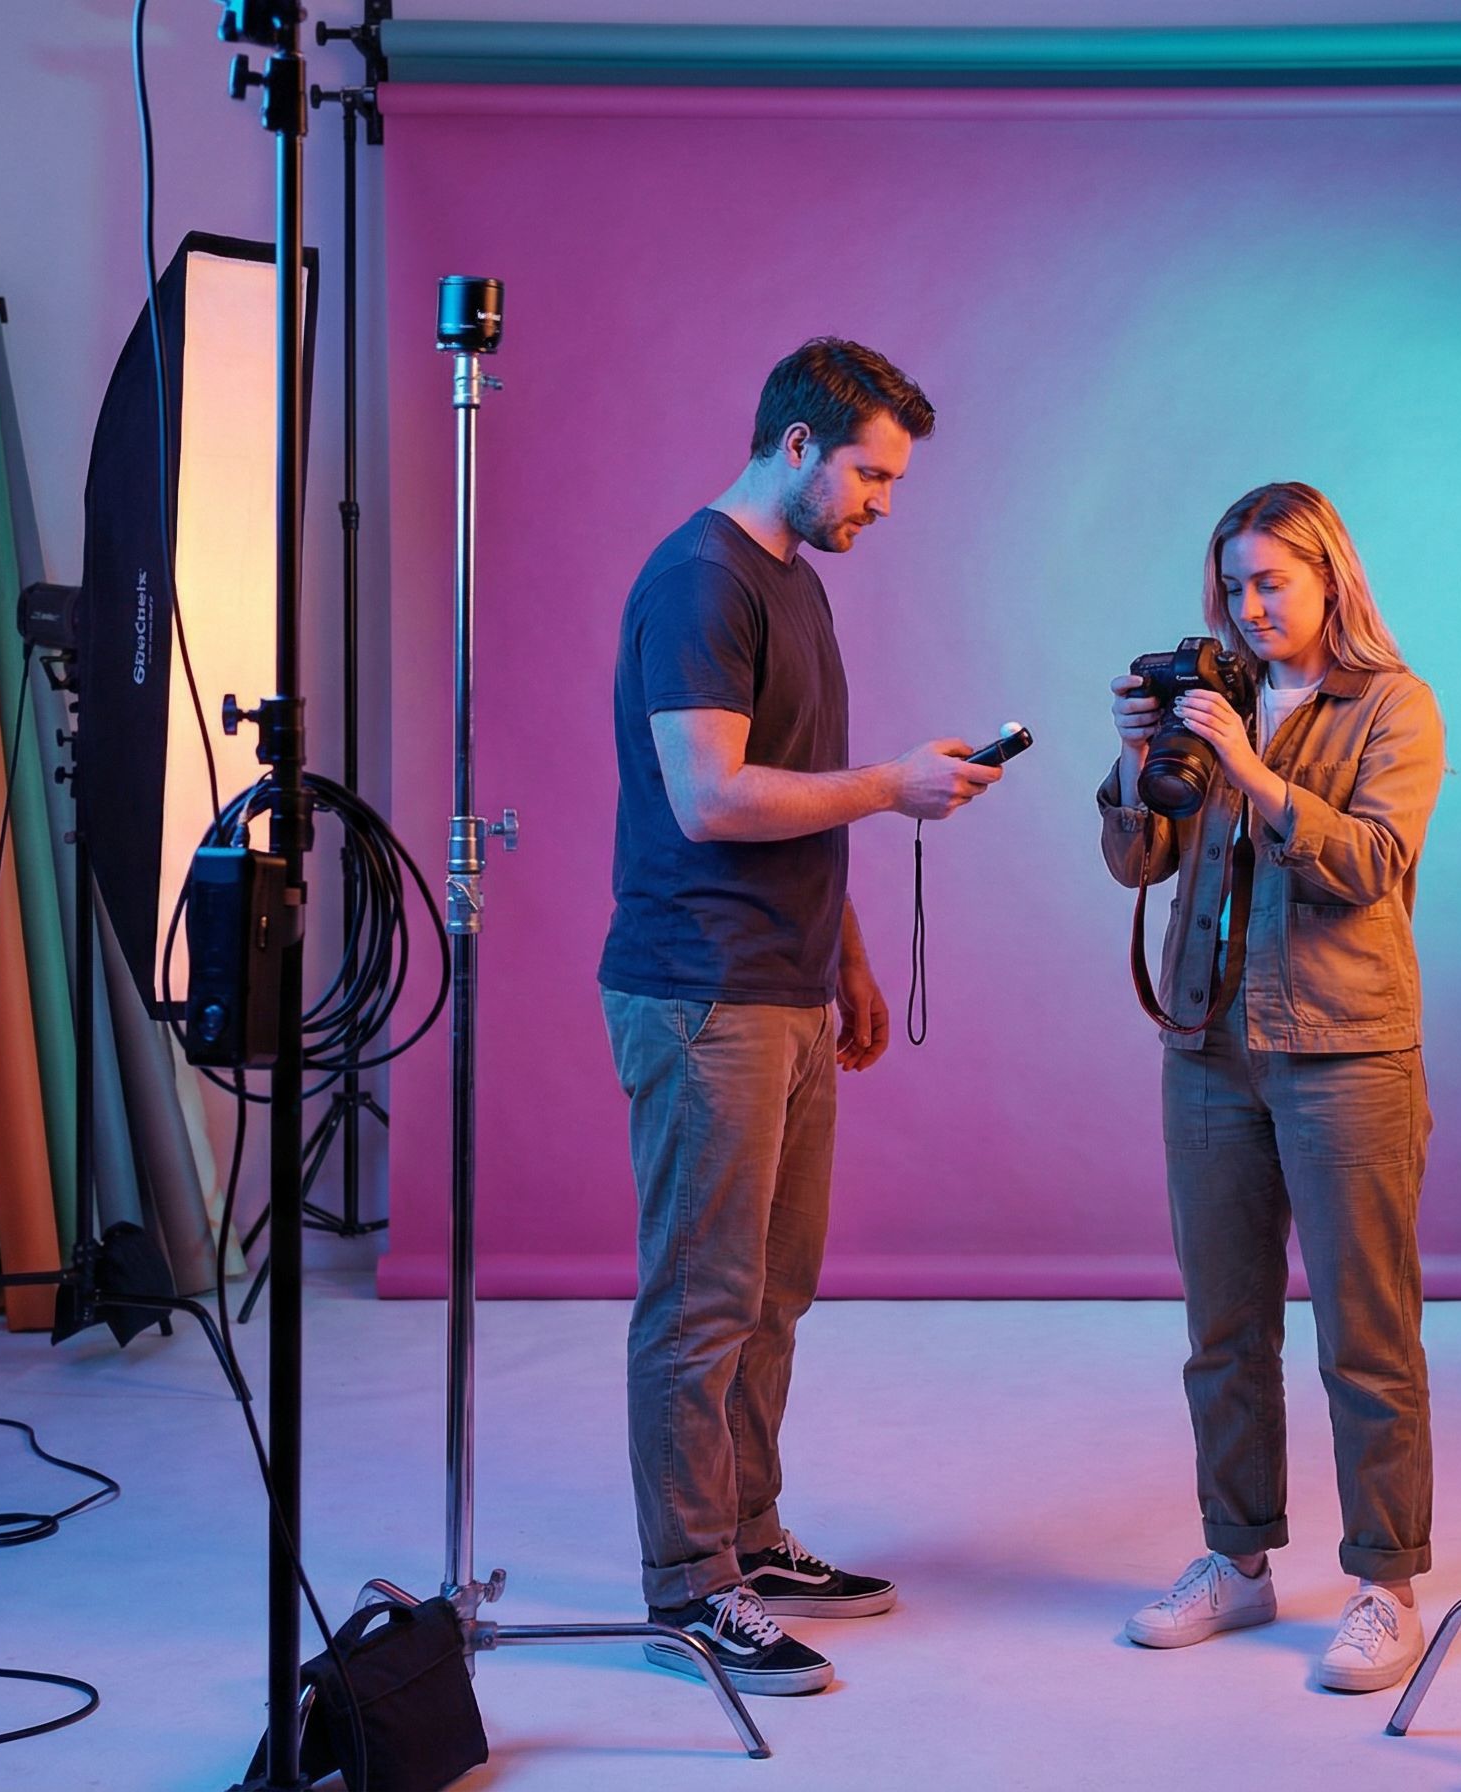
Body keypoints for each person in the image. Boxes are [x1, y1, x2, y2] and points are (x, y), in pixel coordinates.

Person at [600, 338, 1000, 1696]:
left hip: (786, 980)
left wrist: (851, 957)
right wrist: (894, 789)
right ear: (794, 445)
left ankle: (750, 1539)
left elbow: (802, 785)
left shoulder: (796, 584)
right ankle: (688, 1586)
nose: (883, 500)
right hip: (701, 987)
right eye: (872, 473)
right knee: (701, 1298)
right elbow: (712, 798)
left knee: (773, 1290)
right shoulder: (702, 580)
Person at [1098, 481, 1445, 1693]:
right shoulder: (1211, 705)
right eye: (1233, 584)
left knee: (1367, 1331)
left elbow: (1371, 864)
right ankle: (1238, 1565)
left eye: (1271, 581)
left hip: (1346, 1050)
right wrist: (1142, 757)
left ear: (1328, 579)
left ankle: (1386, 1586)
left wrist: (1248, 769)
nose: (1248, 607)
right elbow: (1133, 858)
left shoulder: (1393, 707)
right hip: (1208, 1045)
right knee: (1225, 1328)